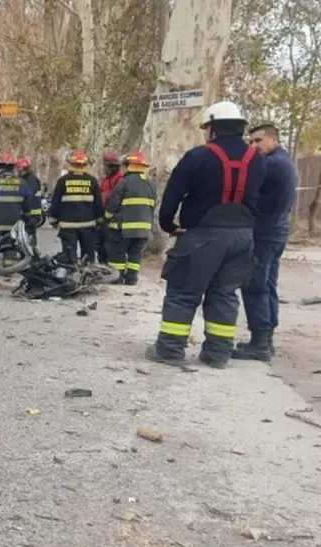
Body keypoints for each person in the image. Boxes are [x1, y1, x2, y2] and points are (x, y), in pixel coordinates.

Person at [147, 100, 265, 369]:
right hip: (242, 237)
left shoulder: (198, 156)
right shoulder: (257, 159)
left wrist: (167, 224)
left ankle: (169, 349)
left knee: (183, 292)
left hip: (202, 235)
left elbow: (173, 194)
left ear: (213, 128)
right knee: (224, 294)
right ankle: (218, 353)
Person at [231, 124, 298, 362]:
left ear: (273, 140)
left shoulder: (272, 165)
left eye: (258, 141)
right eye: (251, 142)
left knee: (255, 285)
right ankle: (266, 340)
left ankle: (260, 342)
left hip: (265, 233)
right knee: (267, 285)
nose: (253, 146)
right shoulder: (283, 161)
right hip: (275, 231)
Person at [0, 152, 41, 272]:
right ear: (13, 167)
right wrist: (27, 216)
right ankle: (9, 268)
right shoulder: (22, 183)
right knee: (11, 245)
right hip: (13, 223)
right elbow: (28, 204)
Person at [103, 152, 156, 285]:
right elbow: (152, 205)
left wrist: (106, 219)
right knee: (135, 254)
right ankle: (132, 279)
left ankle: (117, 277)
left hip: (123, 228)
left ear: (128, 166)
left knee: (117, 252)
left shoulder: (124, 183)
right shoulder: (151, 184)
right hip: (143, 229)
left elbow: (113, 204)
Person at [49, 150, 103, 263]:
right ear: (85, 164)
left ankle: (70, 275)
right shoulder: (92, 181)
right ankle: (88, 276)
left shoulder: (63, 181)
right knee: (88, 254)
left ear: (71, 164)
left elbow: (56, 202)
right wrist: (99, 220)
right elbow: (98, 203)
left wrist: (53, 219)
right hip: (88, 225)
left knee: (69, 255)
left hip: (68, 226)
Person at [97, 152, 124, 264]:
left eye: (106, 166)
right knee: (99, 244)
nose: (104, 168)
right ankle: (102, 264)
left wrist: (108, 216)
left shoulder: (120, 180)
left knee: (109, 245)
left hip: (112, 218)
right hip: (104, 216)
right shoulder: (106, 180)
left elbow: (115, 200)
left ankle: (108, 267)